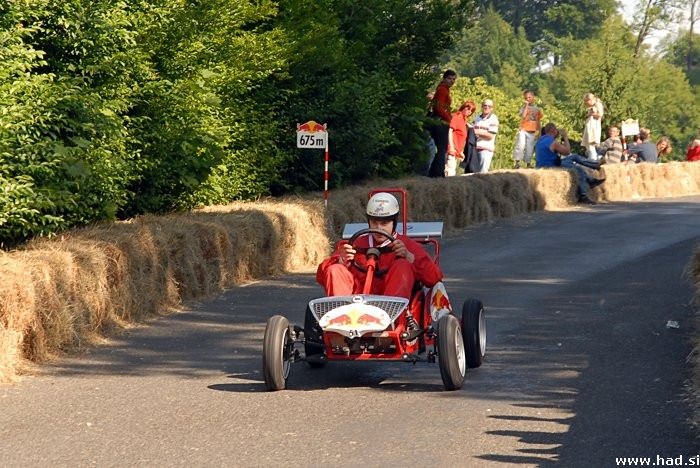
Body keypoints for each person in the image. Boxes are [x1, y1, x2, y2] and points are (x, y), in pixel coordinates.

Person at [316, 192, 443, 300]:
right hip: (356, 304)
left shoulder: (407, 245)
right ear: (368, 222)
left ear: (394, 223)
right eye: (374, 223)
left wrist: (410, 257)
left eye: (384, 223)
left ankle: (393, 317)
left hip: (392, 305)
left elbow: (434, 278)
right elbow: (322, 276)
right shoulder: (355, 244)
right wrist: (340, 260)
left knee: (402, 265)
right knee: (335, 269)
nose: (378, 228)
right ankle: (341, 315)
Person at [535, 122, 605, 205]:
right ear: (553, 130)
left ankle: (594, 168)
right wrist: (565, 137)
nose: (558, 132)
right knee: (577, 169)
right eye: (556, 130)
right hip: (551, 166)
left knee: (574, 157)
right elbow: (567, 152)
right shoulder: (552, 142)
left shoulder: (540, 140)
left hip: (542, 165)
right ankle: (583, 195)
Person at [427, 70, 457, 178]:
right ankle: (438, 173)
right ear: (444, 78)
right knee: (441, 148)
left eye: (453, 79)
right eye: (449, 78)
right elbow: (438, 108)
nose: (451, 81)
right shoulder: (442, 90)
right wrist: (448, 118)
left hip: (441, 121)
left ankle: (436, 172)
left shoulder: (443, 89)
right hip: (441, 122)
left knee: (441, 148)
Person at [512, 90, 543, 168]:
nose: (528, 99)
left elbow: (538, 121)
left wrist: (539, 132)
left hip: (532, 131)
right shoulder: (523, 107)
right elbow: (523, 116)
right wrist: (526, 106)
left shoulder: (537, 109)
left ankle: (528, 164)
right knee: (520, 145)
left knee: (530, 148)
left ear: (533, 97)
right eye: (526, 98)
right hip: (523, 129)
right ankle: (517, 162)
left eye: (529, 97)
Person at [446, 100, 476, 176]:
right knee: (450, 172)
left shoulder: (464, 120)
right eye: (468, 109)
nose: (469, 112)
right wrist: (451, 147)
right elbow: (450, 131)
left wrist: (460, 152)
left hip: (457, 151)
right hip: (451, 150)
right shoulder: (457, 117)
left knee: (451, 171)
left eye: (471, 111)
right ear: (464, 107)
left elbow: (461, 137)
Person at [473, 98, 499, 173]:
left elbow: (490, 136)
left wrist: (478, 132)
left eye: (489, 106)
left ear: (492, 108)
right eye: (485, 105)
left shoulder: (493, 119)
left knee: (482, 173)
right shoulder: (477, 118)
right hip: (475, 149)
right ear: (482, 106)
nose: (487, 107)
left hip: (486, 149)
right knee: (473, 173)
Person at [581, 93, 604, 161]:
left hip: (593, 125)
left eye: (586, 102)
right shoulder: (592, 106)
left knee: (591, 141)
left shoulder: (598, 104)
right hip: (590, 124)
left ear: (590, 100)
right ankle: (593, 156)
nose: (586, 104)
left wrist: (592, 113)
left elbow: (600, 114)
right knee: (588, 142)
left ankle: (593, 158)